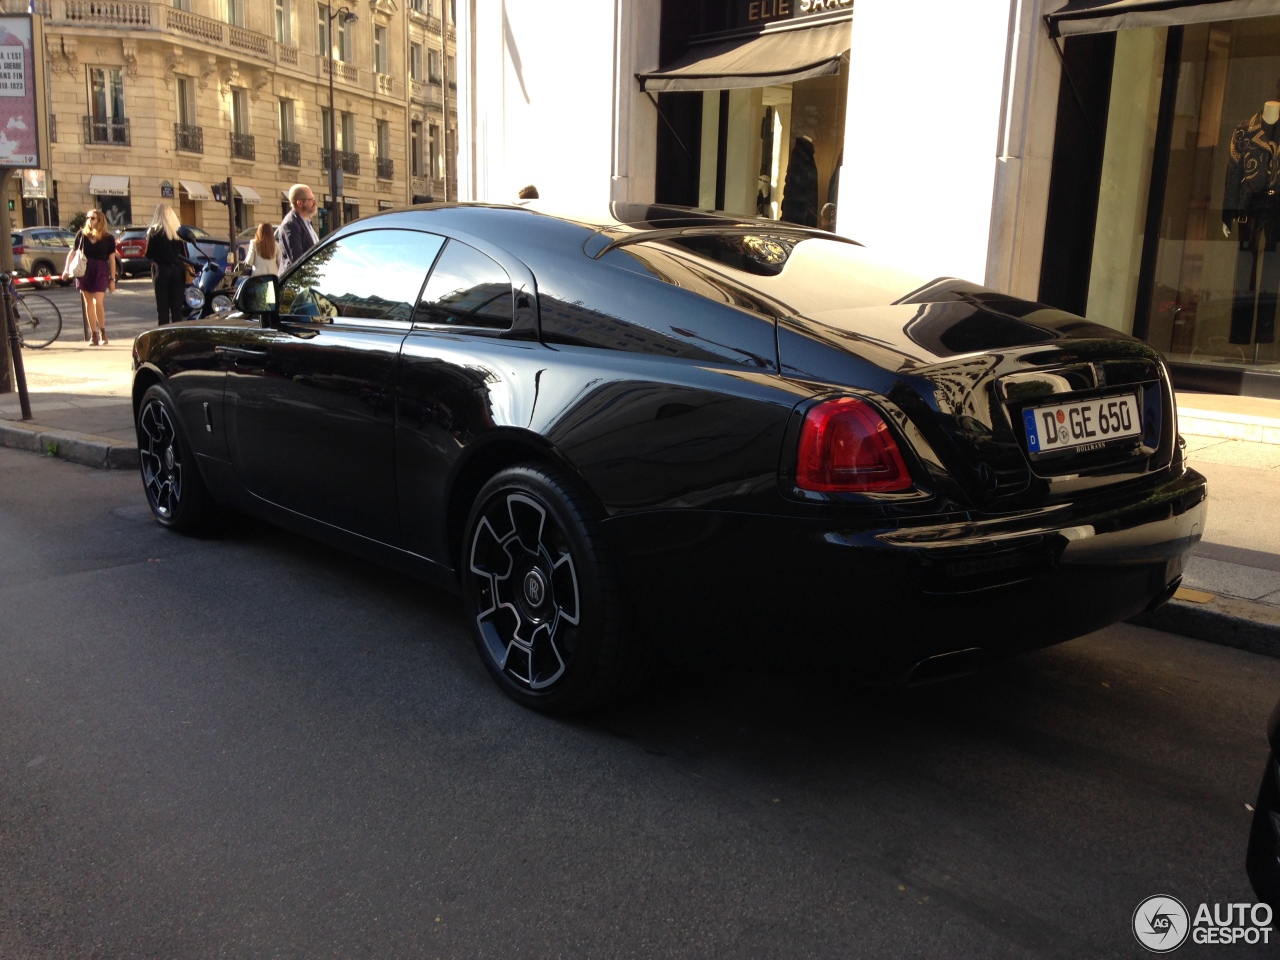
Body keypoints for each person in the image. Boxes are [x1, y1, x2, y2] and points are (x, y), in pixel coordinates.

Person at [66, 210, 117, 346]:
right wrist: (66, 269)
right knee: (88, 303)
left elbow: (112, 260)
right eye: (88, 218)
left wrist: (112, 279)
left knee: (98, 302)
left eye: (93, 218)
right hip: (85, 270)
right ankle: (93, 335)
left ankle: (102, 332)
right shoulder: (82, 235)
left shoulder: (108, 238)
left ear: (100, 220)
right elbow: (72, 252)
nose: (90, 220)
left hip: (100, 271)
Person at [145, 203, 195, 326]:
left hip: (161, 271)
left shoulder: (154, 231)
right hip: (178, 271)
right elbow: (186, 255)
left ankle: (163, 336)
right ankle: (177, 335)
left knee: (162, 309)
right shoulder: (178, 232)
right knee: (177, 308)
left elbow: (148, 254)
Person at [275, 183, 318, 272]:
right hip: (298, 282)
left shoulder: (306, 221)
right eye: (311, 199)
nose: (315, 202)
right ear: (300, 203)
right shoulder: (291, 224)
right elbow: (297, 261)